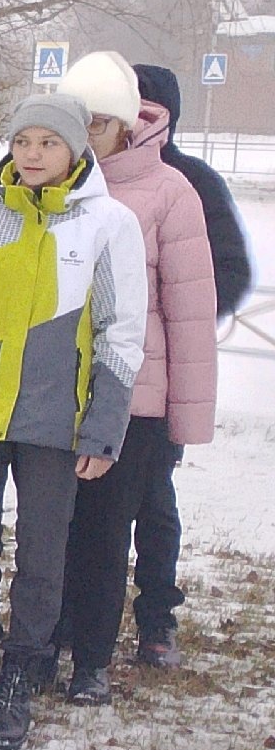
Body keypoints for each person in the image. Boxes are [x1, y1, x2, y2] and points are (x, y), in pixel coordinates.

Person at [0, 90, 144, 750]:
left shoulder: (107, 224)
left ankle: (23, 668)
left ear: (76, 150)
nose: (34, 154)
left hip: (55, 421)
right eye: (23, 141)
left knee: (43, 552)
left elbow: (122, 334)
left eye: (49, 142)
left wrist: (104, 427)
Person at [55, 53, 217, 706]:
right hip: (52, 391)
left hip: (133, 400)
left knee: (103, 532)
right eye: (78, 121)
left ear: (125, 123)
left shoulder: (169, 191)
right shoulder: (49, 181)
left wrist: (184, 418)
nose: (87, 134)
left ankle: (92, 655)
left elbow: (190, 309)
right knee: (53, 527)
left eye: (99, 122)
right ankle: (50, 634)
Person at [129, 62, 252, 667]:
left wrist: (171, 310)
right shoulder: (87, 170)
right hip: (90, 376)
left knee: (153, 501)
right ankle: (75, 613)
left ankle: (157, 618)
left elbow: (230, 271)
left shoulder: (193, 181)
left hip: (165, 379)